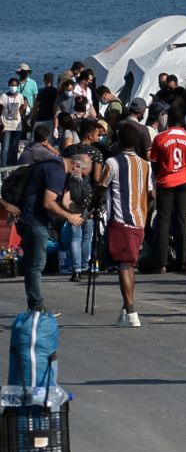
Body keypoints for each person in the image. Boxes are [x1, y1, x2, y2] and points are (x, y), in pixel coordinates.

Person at [14, 151, 86, 311]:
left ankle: (34, 304)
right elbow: (49, 202)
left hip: (34, 220)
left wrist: (80, 211)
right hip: (33, 220)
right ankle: (37, 306)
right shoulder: (56, 171)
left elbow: (66, 201)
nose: (81, 178)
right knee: (36, 264)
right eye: (82, 173)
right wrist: (69, 217)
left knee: (33, 263)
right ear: (76, 166)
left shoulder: (62, 171)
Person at [101, 124, 155, 327]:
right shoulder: (145, 165)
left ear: (118, 141)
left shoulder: (112, 163)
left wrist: (89, 209)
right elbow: (151, 193)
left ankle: (132, 311)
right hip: (139, 220)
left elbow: (101, 186)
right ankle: (126, 310)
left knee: (124, 265)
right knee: (129, 265)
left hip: (120, 220)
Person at [150, 108, 186, 273]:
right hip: (183, 181)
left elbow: (154, 163)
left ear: (168, 120)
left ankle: (162, 262)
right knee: (182, 220)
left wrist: (160, 175)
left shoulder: (160, 138)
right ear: (183, 121)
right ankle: (184, 260)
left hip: (165, 182)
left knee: (163, 221)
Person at [61, 120, 105, 281]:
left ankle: (76, 269)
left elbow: (63, 170)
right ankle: (85, 266)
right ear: (89, 134)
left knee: (75, 235)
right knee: (87, 233)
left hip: (71, 194)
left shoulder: (68, 150)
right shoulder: (95, 153)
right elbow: (97, 178)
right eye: (97, 133)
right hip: (88, 195)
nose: (98, 136)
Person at [1, 78, 28, 166]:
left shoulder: (20, 97)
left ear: (18, 86)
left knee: (14, 148)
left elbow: (20, 112)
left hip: (17, 127)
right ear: (8, 85)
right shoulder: (3, 96)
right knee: (5, 148)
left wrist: (23, 108)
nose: (13, 87)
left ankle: (13, 166)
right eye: (11, 85)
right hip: (6, 126)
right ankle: (3, 168)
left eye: (15, 85)